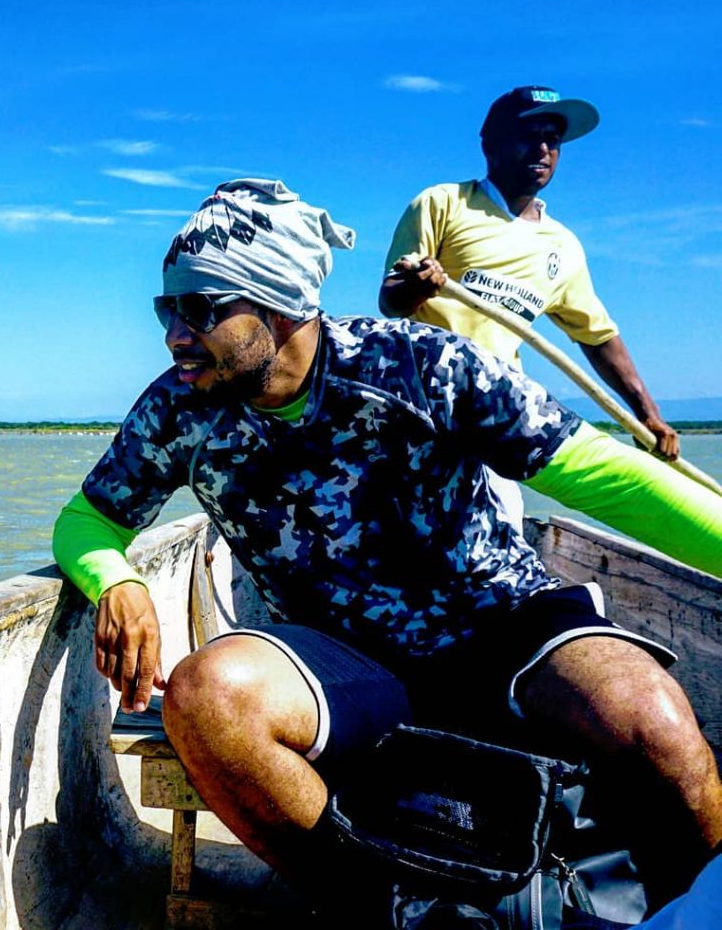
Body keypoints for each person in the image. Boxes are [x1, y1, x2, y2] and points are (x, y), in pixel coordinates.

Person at [53, 178, 722, 914]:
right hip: (344, 661)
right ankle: (377, 910)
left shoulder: (420, 366)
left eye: (201, 309)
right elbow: (89, 519)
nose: (176, 334)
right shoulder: (180, 405)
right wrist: (117, 582)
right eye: (167, 308)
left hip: (501, 620)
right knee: (207, 698)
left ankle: (658, 910)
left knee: (656, 728)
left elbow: (603, 475)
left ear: (278, 306)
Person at [379, 85, 678, 470]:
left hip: (497, 413)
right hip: (419, 405)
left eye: (552, 141)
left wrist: (646, 414)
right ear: (491, 146)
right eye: (528, 137)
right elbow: (390, 301)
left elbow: (599, 337)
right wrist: (416, 286)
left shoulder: (563, 245)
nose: (542, 151)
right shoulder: (443, 203)